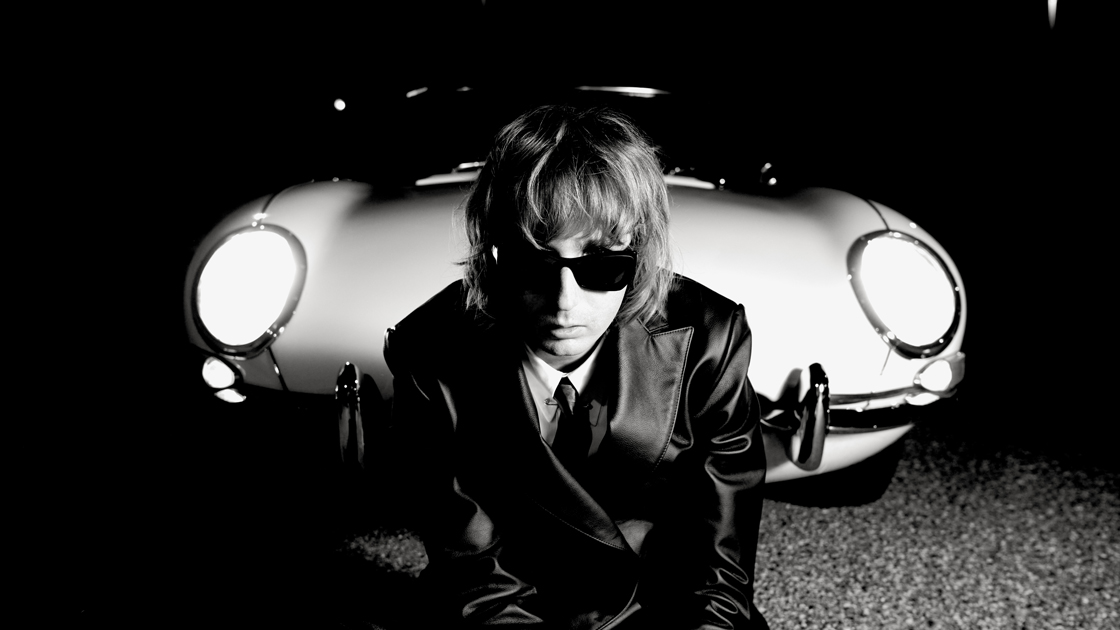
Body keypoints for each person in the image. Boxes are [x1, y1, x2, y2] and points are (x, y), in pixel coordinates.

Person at [385, 104, 769, 629]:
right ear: (491, 255)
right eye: (531, 262)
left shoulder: (711, 341)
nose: (565, 301)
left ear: (640, 256)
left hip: (663, 606)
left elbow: (718, 566)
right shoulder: (429, 352)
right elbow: (476, 572)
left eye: (602, 266)